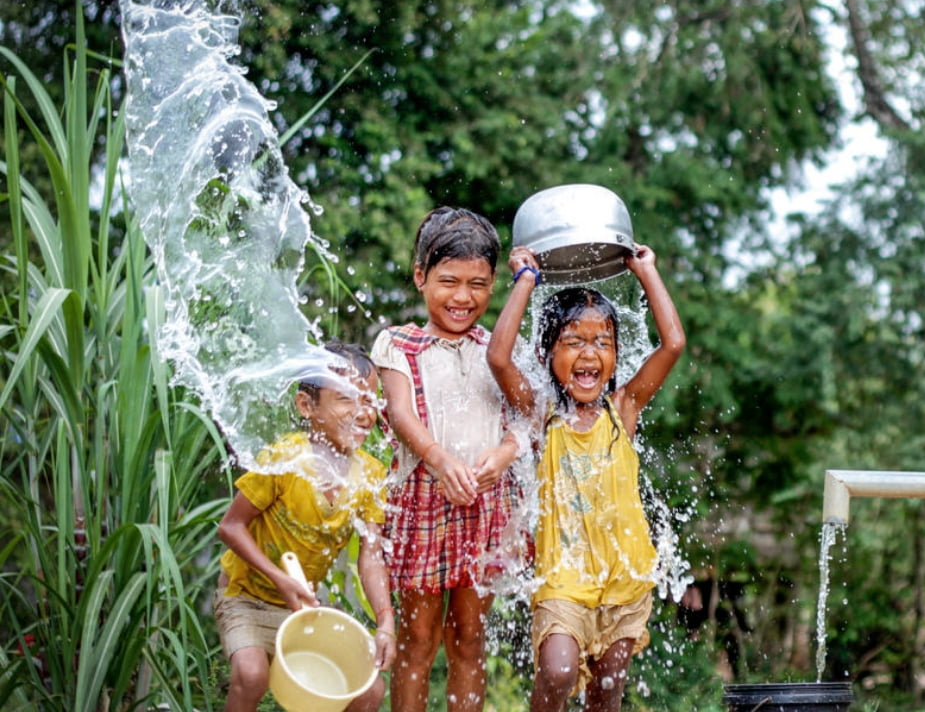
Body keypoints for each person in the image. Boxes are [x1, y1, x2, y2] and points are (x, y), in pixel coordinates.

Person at [486, 242, 686, 712]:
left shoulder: (624, 409)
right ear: (547, 350)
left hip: (625, 577)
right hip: (564, 583)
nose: (590, 354)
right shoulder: (541, 415)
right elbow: (498, 358)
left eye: (603, 342)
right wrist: (526, 281)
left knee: (607, 689)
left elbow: (673, 343)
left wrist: (646, 271)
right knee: (556, 671)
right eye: (574, 341)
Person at [371, 206, 523, 712]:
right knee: (419, 638)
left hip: (485, 505)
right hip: (422, 504)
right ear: (420, 277)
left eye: (478, 284)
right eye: (449, 281)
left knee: (470, 640)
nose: (463, 297)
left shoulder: (496, 349)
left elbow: (527, 419)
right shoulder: (398, 343)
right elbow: (398, 411)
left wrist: (504, 453)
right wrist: (437, 460)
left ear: (493, 283)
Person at [214, 341, 394, 712]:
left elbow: (372, 556)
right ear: (306, 407)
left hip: (303, 608)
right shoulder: (285, 459)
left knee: (370, 693)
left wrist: (386, 621)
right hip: (246, 597)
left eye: (369, 400)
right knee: (251, 676)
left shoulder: (371, 474)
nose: (362, 413)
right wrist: (280, 578)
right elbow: (231, 528)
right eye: (346, 399)